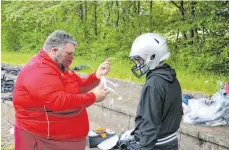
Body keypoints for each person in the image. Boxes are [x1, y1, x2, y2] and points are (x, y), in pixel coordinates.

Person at [13, 30, 110, 150]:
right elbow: (58, 101)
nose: (72, 58)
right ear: (54, 51)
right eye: (69, 54)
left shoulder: (59, 67)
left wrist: (96, 76)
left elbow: (79, 87)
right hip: (42, 141)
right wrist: (93, 97)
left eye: (73, 54)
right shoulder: (39, 69)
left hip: (62, 141)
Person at [119, 33, 182, 150]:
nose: (137, 64)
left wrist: (141, 147)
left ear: (152, 57)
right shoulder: (170, 77)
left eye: (139, 59)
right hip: (171, 141)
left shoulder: (153, 84)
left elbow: (151, 122)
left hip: (157, 144)